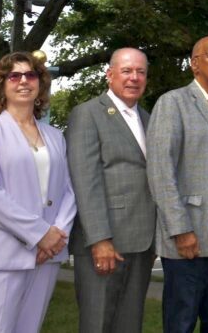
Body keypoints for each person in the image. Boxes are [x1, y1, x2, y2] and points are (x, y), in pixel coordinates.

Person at [0, 51, 77, 333]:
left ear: (40, 84)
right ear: (2, 85)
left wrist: (55, 236)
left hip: (49, 253)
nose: (23, 81)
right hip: (3, 251)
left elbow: (68, 191)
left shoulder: (55, 136)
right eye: (14, 76)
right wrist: (40, 234)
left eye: (31, 75)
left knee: (29, 328)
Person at [146, 36, 208, 333]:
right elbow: (161, 171)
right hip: (190, 240)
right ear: (194, 64)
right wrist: (181, 229)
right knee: (181, 323)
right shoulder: (173, 103)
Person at [66, 47, 155, 333]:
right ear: (110, 75)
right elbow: (85, 180)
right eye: (127, 71)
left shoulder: (148, 118)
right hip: (105, 244)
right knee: (98, 323)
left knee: (129, 325)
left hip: (142, 243)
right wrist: (100, 240)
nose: (134, 78)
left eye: (140, 72)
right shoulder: (87, 114)